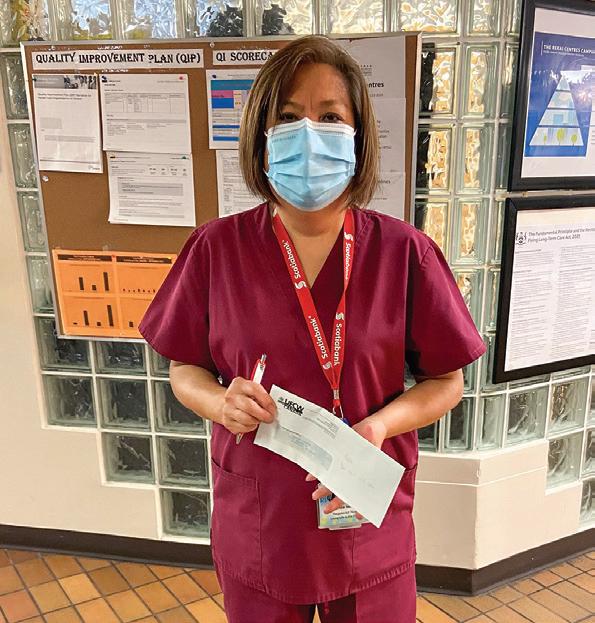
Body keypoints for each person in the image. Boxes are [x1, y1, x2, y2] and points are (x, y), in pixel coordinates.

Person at [139, 35, 486, 623]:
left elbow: (446, 381)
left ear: (358, 136)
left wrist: (381, 425)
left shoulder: (405, 253)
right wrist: (220, 403)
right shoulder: (216, 249)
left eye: (329, 117)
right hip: (262, 520)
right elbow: (183, 369)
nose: (309, 133)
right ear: (261, 135)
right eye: (288, 116)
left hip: (365, 512)